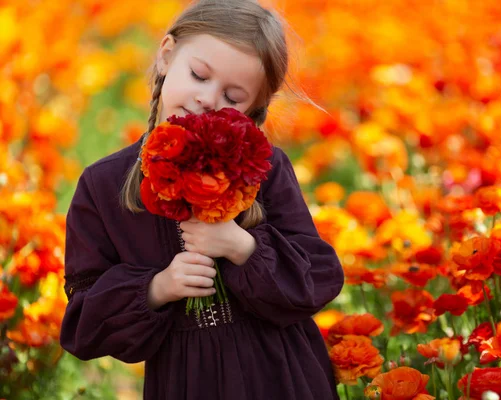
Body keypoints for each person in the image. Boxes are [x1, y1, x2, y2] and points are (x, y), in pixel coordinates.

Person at [59, 1, 345, 399]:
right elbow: (84, 323)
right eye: (198, 75)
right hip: (186, 381)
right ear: (166, 55)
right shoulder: (103, 185)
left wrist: (242, 246)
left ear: (254, 109)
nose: (208, 99)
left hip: (283, 374)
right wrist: (157, 288)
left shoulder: (265, 169)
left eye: (233, 95)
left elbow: (319, 279)